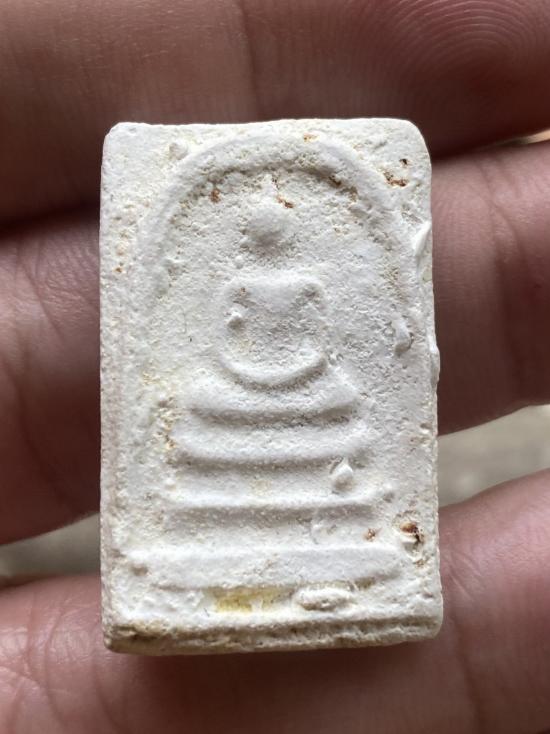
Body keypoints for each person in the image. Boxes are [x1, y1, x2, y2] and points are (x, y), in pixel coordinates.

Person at [1, 0, 549, 731]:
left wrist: (297, 364)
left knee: (336, 412)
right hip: (242, 382)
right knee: (203, 413)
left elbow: (311, 339)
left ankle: (336, 552)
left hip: (302, 380)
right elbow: (231, 336)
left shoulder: (303, 285)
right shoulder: (238, 285)